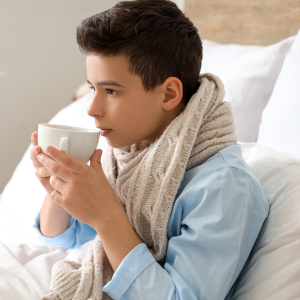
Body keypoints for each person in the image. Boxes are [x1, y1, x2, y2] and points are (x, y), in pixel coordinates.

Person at [30, 0, 269, 299]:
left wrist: (108, 216)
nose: (91, 109)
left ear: (169, 94)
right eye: (92, 88)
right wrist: (56, 186)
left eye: (111, 91)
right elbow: (66, 237)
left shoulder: (225, 187)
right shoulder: (131, 157)